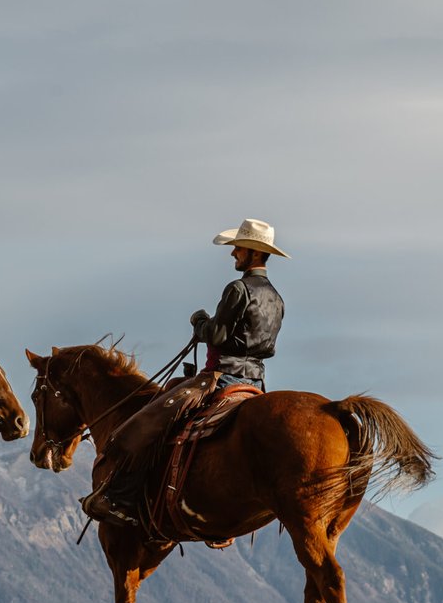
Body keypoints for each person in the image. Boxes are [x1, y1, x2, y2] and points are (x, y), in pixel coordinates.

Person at [80, 219, 288, 528]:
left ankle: (120, 498)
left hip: (223, 377)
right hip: (255, 381)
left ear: (254, 253)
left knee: (149, 423)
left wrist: (199, 322)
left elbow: (217, 335)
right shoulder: (277, 299)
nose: (233, 254)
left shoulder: (239, 288)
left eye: (238, 248)